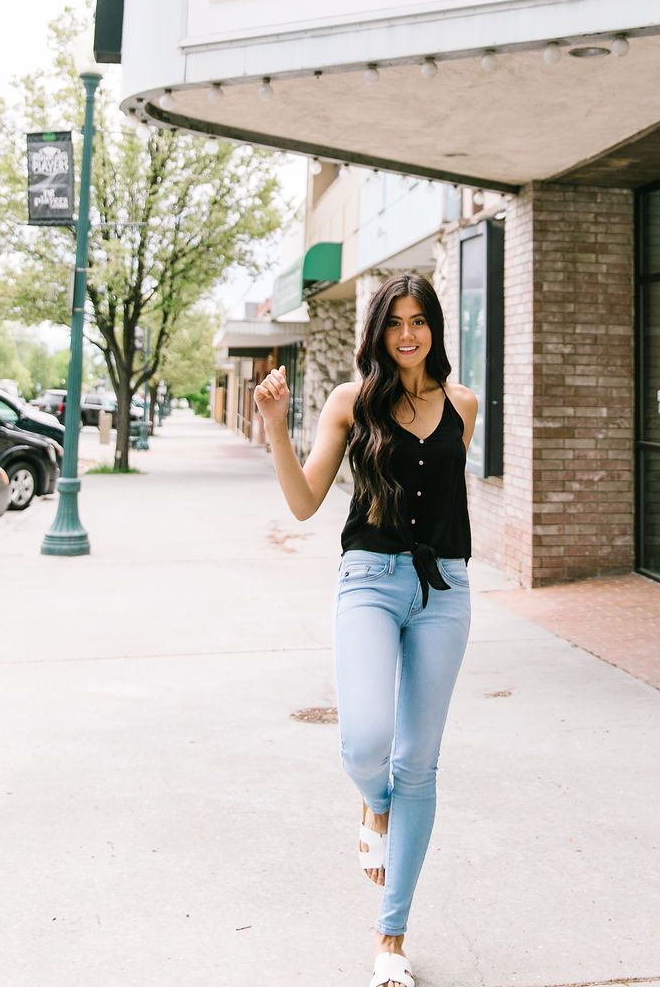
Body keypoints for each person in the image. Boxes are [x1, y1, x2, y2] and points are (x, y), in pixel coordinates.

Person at [254, 273, 477, 987]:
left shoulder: (464, 405)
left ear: (434, 327)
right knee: (366, 741)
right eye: (394, 323)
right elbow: (302, 501)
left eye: (419, 321)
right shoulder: (351, 403)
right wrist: (275, 430)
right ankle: (373, 802)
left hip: (445, 590)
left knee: (420, 765)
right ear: (377, 332)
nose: (407, 334)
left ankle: (390, 940)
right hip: (369, 582)